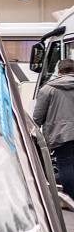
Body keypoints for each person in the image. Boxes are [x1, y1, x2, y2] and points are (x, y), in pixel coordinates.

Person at [32, 58, 74, 199]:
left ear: (59, 72)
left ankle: (70, 198)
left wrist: (33, 131)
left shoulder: (47, 89)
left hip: (61, 135)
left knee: (66, 164)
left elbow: (38, 117)